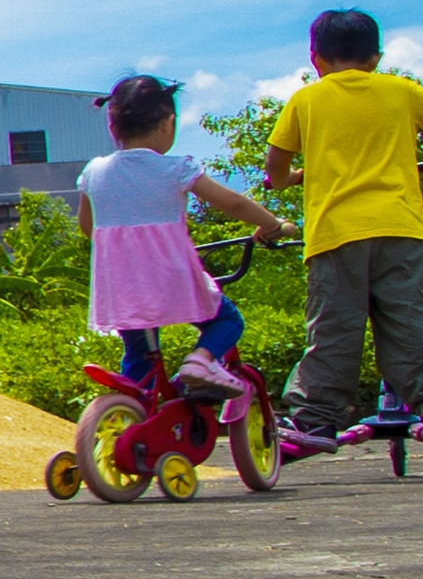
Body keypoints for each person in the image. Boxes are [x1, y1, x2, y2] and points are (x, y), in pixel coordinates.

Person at [261, 7, 423, 462]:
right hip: (400, 229)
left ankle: (315, 419)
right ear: (376, 58)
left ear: (315, 58)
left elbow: (275, 167)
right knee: (409, 324)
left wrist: (289, 179)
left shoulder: (306, 100)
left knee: (334, 329)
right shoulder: (399, 91)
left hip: (337, 234)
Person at [75, 74, 287, 400]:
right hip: (171, 279)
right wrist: (273, 224)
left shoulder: (94, 171)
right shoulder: (176, 169)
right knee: (228, 321)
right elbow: (233, 202)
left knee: (139, 359)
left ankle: (136, 420)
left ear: (112, 127)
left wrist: (128, 250)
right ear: (167, 124)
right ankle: (200, 362)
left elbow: (89, 227)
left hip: (120, 286)